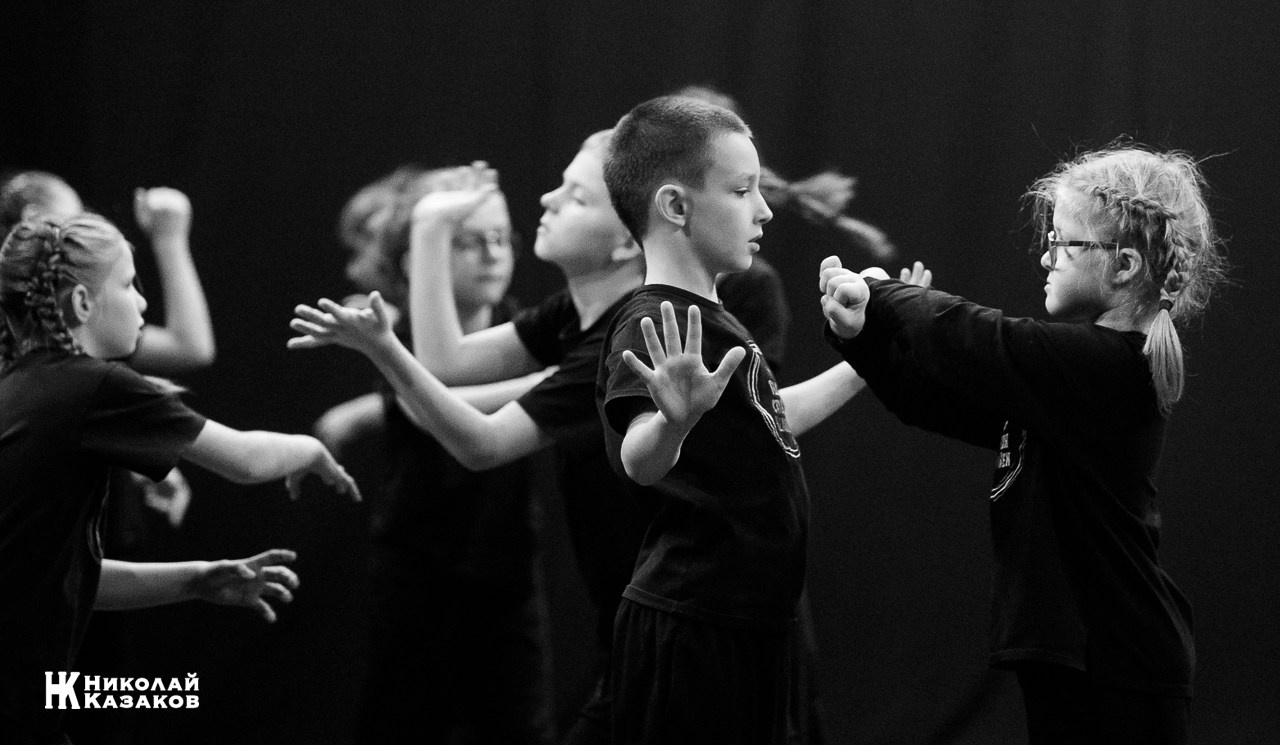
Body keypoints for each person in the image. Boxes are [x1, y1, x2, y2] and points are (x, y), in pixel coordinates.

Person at [818, 144, 1227, 745]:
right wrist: (861, 338)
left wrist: (882, 294)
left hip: (1117, 664)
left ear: (1124, 265)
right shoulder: (1064, 385)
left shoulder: (1107, 367)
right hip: (1082, 661)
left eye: (1063, 242)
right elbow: (930, 399)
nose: (1046, 256)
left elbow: (973, 336)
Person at [0, 214, 359, 744]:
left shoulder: (24, 385)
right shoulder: (91, 386)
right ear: (81, 304)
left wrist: (196, 579)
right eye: (129, 284)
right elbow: (244, 460)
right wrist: (310, 448)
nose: (143, 302)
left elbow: (62, 577)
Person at [593, 95, 867, 744]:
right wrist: (672, 424)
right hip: (693, 625)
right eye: (743, 191)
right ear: (675, 205)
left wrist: (867, 360)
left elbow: (772, 418)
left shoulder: (715, 319)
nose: (765, 209)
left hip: (746, 621)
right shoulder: (656, 322)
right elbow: (638, 456)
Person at [326, 165, 558, 745]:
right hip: (419, 570)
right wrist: (563, 383)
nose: (492, 255)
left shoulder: (524, 330)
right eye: (469, 240)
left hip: (505, 571)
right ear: (417, 259)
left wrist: (563, 379)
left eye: (501, 238)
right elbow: (425, 408)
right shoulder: (394, 332)